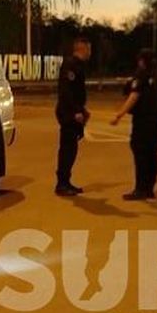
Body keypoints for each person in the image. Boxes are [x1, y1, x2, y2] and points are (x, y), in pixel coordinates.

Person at [111, 48, 157, 200]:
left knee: (141, 153)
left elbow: (134, 96)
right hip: (156, 121)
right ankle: (149, 187)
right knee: (152, 153)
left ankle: (141, 189)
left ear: (142, 61)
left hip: (143, 121)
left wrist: (119, 115)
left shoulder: (141, 76)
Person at [55, 35, 91, 195]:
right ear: (82, 48)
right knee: (67, 149)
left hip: (74, 111)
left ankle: (66, 181)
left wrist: (83, 111)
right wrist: (76, 111)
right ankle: (61, 184)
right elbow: (66, 92)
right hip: (68, 113)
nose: (90, 52)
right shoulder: (71, 65)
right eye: (89, 48)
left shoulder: (79, 66)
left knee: (71, 148)